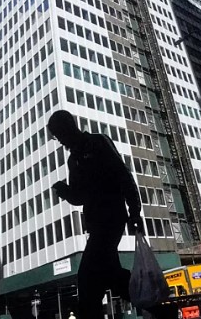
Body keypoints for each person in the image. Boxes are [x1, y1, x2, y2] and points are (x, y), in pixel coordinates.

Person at [48, 110, 143, 319]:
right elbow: (79, 197)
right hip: (96, 224)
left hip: (111, 219)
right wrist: (65, 191)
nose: (60, 140)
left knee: (87, 280)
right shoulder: (73, 160)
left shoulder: (98, 142)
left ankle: (155, 304)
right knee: (111, 276)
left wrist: (134, 211)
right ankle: (156, 305)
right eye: (56, 136)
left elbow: (123, 175)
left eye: (59, 134)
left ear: (68, 127)